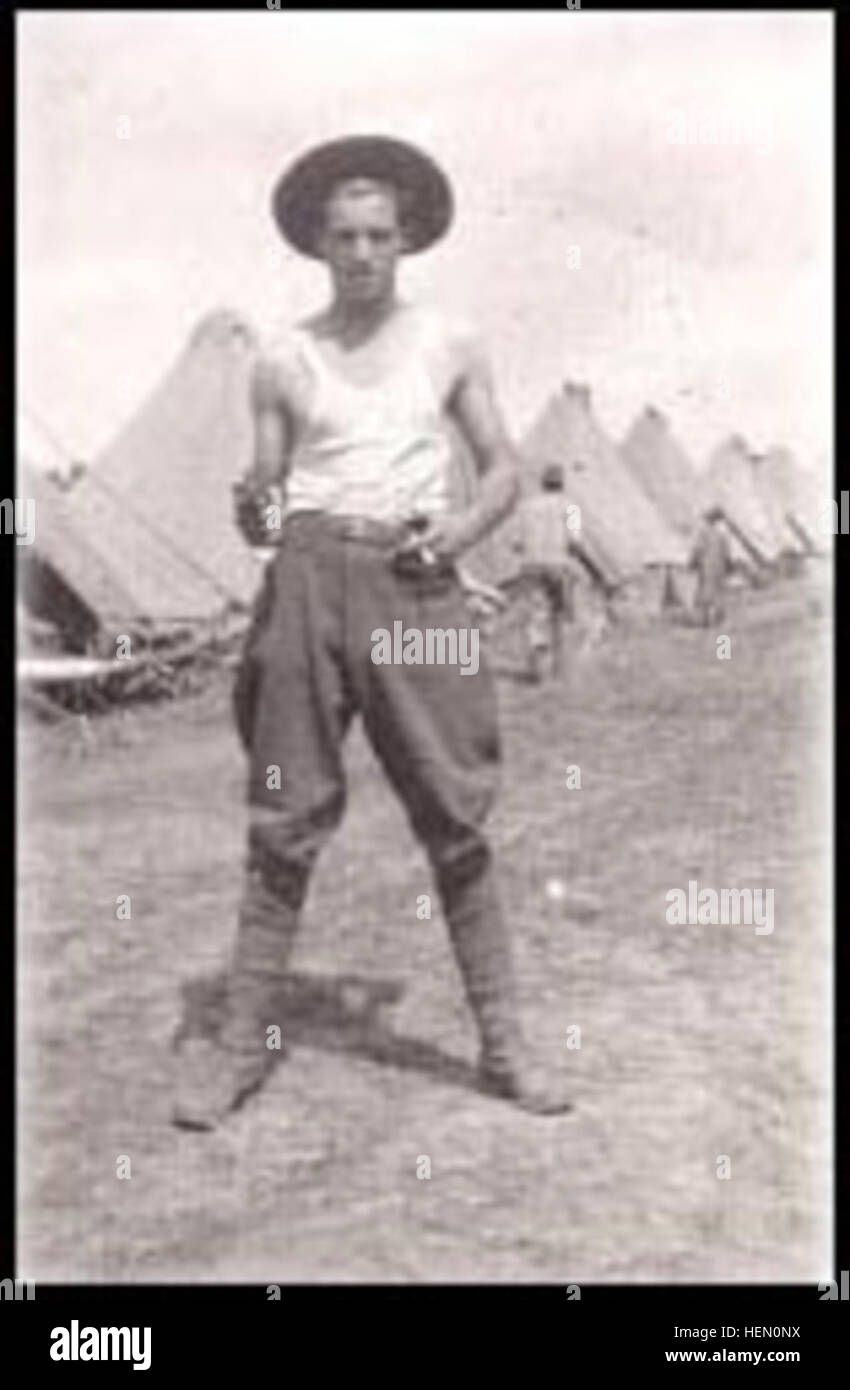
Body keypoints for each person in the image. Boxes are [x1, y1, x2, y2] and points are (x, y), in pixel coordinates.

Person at [173, 135, 572, 1128]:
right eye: (344, 236)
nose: (361, 253)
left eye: (378, 236)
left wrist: (461, 533)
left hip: (415, 586)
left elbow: (504, 468)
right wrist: (254, 507)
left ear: (407, 239)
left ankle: (506, 1047)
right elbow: (265, 499)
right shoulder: (282, 358)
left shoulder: (451, 343)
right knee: (283, 817)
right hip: (308, 583)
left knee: (455, 810)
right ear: (318, 242)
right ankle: (236, 1050)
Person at [512, 462, 580, 680]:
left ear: (542, 483)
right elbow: (574, 541)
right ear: (562, 484)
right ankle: (559, 668)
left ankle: (537, 665)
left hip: (531, 565)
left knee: (535, 614)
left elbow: (516, 543)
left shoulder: (526, 507)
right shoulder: (570, 507)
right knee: (559, 614)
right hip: (558, 564)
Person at [688, 506, 732, 626]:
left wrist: (692, 563)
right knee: (719, 592)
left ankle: (705, 620)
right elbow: (727, 553)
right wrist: (728, 565)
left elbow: (697, 549)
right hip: (719, 566)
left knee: (705, 592)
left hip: (706, 565)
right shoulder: (722, 533)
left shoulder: (702, 531)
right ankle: (718, 618)